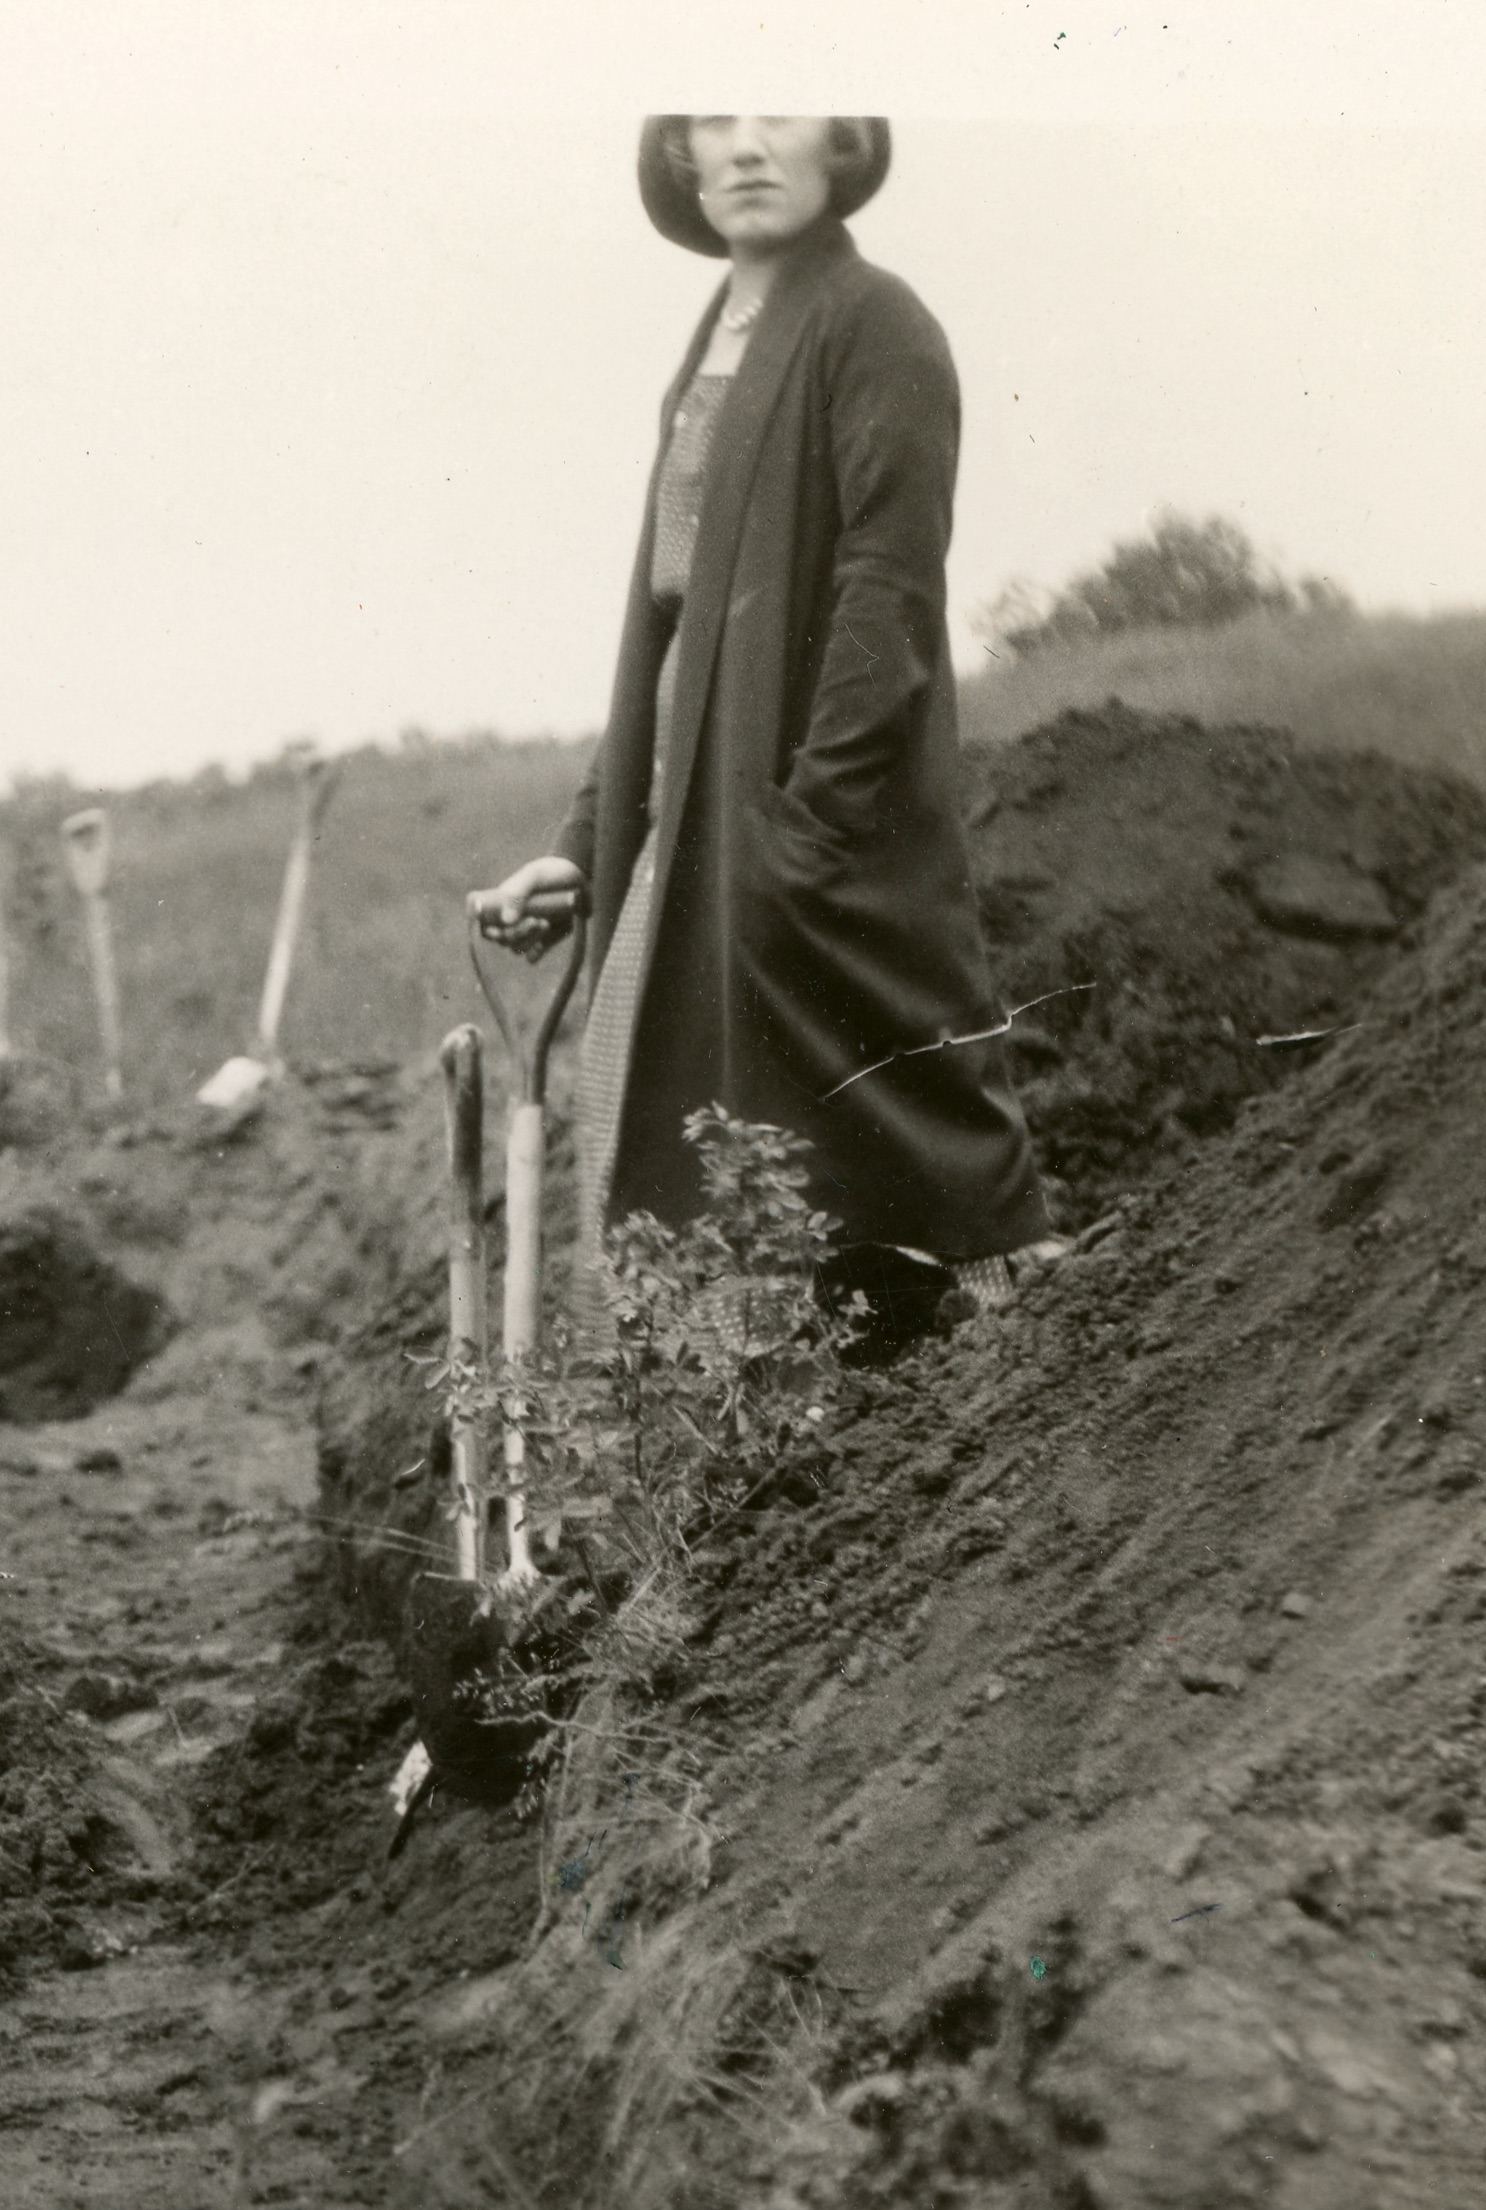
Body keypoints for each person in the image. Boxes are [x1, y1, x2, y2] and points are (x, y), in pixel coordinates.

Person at [471, 117, 1062, 1331]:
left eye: (780, 108)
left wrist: (809, 827)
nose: (746, 145)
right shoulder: (709, 350)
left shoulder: (873, 321)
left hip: (798, 816)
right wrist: (585, 852)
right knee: (649, 1111)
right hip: (696, 809)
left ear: (840, 140)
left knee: (892, 1135)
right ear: (679, 152)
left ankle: (990, 1386)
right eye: (713, 118)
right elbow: (669, 634)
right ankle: (730, 1454)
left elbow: (888, 593)